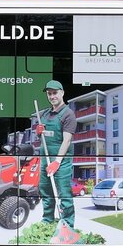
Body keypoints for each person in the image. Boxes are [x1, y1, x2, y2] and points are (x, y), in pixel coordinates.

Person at [36, 80, 76, 231]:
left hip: (61, 161)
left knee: (64, 193)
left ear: (62, 93)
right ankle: (47, 219)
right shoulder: (45, 114)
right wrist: (39, 132)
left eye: (55, 93)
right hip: (45, 158)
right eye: (49, 93)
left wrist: (57, 162)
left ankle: (67, 225)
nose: (52, 96)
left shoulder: (68, 114)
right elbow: (44, 138)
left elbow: (66, 140)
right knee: (45, 189)